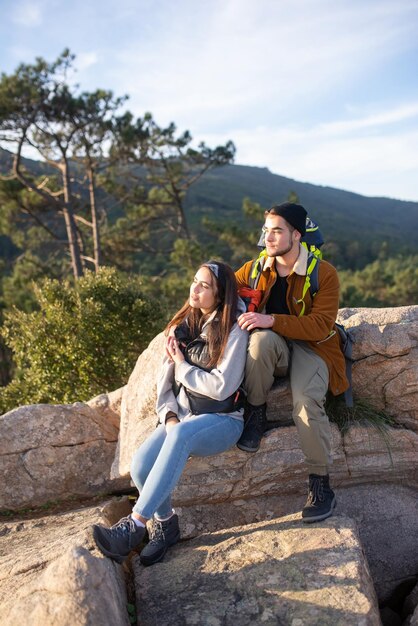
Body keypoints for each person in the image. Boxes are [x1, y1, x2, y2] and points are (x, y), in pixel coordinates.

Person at [93, 261, 248, 565]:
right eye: (194, 281)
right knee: (140, 466)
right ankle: (166, 526)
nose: (195, 289)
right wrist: (170, 416)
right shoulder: (181, 329)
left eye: (205, 286)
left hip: (223, 420)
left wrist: (183, 365)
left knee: (181, 435)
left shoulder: (234, 330)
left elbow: (220, 388)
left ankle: (134, 526)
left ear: (220, 296)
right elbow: (164, 386)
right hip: (184, 418)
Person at [235, 202, 348, 523]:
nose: (268, 238)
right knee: (258, 342)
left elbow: (319, 325)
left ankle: (321, 484)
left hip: (314, 348)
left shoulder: (323, 273)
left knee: (306, 404)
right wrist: (178, 325)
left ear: (296, 235)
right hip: (277, 346)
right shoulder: (256, 268)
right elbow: (215, 288)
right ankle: (256, 413)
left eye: (277, 231)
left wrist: (270, 319)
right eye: (266, 230)